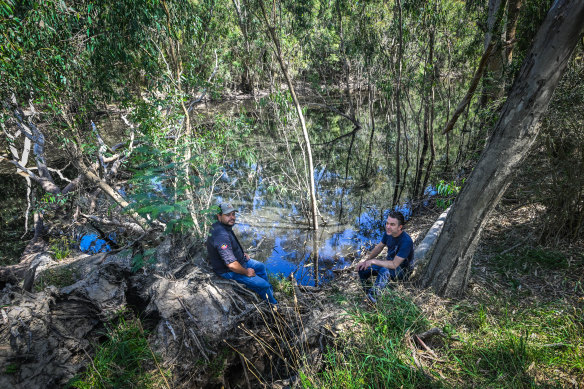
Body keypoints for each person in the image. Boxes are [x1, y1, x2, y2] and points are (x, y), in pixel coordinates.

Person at [207, 203, 278, 307]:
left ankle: (268, 292)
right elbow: (231, 265)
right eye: (228, 215)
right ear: (219, 216)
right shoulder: (220, 234)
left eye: (233, 214)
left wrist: (241, 253)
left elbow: (230, 245)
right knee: (263, 285)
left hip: (240, 260)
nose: (232, 217)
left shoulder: (222, 225)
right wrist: (246, 272)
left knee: (261, 267)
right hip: (228, 271)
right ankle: (273, 305)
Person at [356, 211, 414, 303]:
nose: (388, 226)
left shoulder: (406, 241)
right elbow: (379, 247)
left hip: (402, 271)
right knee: (362, 268)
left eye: (392, 224)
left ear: (400, 227)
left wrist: (373, 261)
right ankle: (368, 290)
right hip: (389, 264)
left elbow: (394, 264)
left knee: (384, 270)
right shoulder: (388, 233)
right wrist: (366, 261)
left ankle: (373, 298)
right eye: (387, 223)